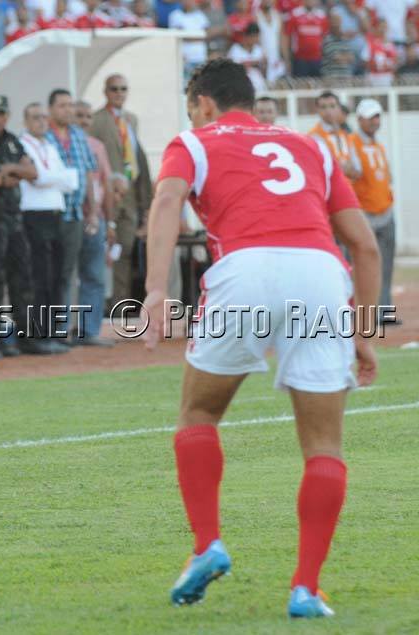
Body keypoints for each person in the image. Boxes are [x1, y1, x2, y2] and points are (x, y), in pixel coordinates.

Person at [143, 58, 380, 618]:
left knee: (198, 415)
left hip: (244, 271)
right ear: (250, 100)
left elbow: (167, 202)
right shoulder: (312, 146)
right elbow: (366, 247)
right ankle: (305, 588)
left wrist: (155, 290)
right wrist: (364, 333)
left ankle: (208, 545)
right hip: (321, 275)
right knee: (324, 446)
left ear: (203, 104)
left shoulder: (193, 141)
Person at [0, 95, 47, 355]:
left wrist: (11, 169)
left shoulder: (13, 141)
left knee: (22, 279)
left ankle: (26, 337)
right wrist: (9, 175)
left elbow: (32, 173)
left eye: (2, 113)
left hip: (15, 219)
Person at [89, 74, 152, 309]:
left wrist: (145, 200)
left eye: (123, 89)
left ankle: (120, 305)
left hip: (131, 196)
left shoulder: (131, 120)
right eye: (114, 89)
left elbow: (137, 159)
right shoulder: (96, 120)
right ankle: (102, 306)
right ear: (106, 91)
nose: (119, 93)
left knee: (124, 252)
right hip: (108, 197)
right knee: (103, 252)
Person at [46, 88, 97, 346]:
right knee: (51, 273)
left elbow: (89, 174)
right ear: (51, 109)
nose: (68, 110)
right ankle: (53, 328)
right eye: (62, 105)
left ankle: (65, 327)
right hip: (50, 214)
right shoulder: (43, 136)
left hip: (75, 212)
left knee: (67, 273)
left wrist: (94, 210)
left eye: (70, 105)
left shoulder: (78, 135)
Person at [19, 102, 73, 342]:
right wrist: (54, 178)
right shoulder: (22, 145)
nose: (41, 121)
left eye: (43, 117)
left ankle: (55, 330)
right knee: (40, 275)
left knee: (58, 274)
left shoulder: (49, 145)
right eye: (35, 117)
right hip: (34, 213)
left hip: (56, 212)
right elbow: (36, 178)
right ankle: (40, 332)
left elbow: (72, 181)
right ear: (26, 121)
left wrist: (48, 177)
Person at [349, 99, 398, 326]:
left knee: (386, 266)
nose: (375, 121)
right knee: (364, 265)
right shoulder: (353, 142)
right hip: (365, 213)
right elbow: (354, 172)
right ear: (359, 119)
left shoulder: (378, 145)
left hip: (385, 211)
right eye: (370, 117)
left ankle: (385, 311)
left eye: (377, 116)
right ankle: (363, 312)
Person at [74, 100, 115, 346]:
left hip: (95, 217)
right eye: (79, 115)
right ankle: (64, 328)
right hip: (69, 216)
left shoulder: (97, 146)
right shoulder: (59, 143)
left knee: (94, 275)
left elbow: (107, 184)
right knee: (66, 277)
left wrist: (110, 222)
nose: (84, 120)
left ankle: (89, 330)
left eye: (88, 116)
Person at [309, 91, 360, 182]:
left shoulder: (345, 134)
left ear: (339, 108)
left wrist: (342, 169)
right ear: (317, 110)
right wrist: (344, 169)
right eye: (323, 107)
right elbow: (320, 171)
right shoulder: (314, 137)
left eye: (332, 106)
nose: (328, 111)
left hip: (348, 191)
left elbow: (358, 171)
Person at [284, 0, 328, 78]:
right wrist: (287, 59)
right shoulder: (295, 14)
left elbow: (324, 37)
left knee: (317, 86)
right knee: (301, 86)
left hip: (317, 59)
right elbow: (287, 37)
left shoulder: (322, 16)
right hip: (300, 59)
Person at [228, 22, 267, 92]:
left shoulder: (259, 50)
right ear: (247, 36)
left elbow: (264, 69)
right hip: (241, 87)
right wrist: (254, 63)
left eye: (257, 36)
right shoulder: (235, 49)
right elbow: (233, 70)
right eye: (253, 36)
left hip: (259, 86)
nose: (256, 39)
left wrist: (262, 64)